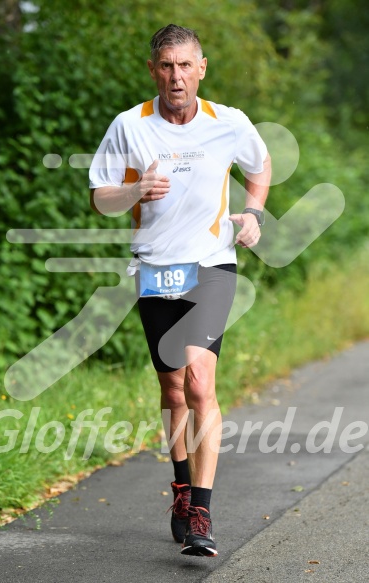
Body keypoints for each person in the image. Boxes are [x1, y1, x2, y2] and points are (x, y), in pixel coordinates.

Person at [89, 23, 271, 557]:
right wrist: (134, 189)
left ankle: (202, 512)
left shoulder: (228, 123)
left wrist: (254, 214)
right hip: (155, 268)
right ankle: (180, 485)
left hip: (212, 264)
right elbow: (102, 199)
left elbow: (261, 169)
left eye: (186, 65)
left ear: (202, 68)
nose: (176, 76)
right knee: (172, 389)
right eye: (167, 66)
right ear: (153, 70)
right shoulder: (129, 126)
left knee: (198, 378)